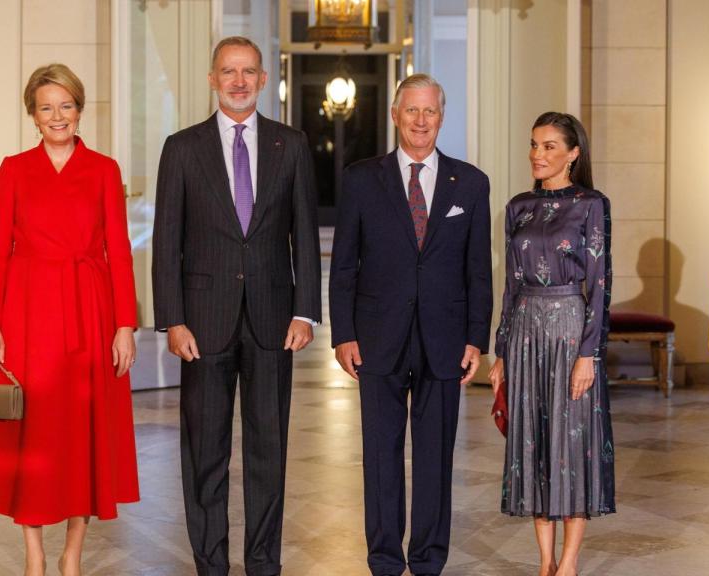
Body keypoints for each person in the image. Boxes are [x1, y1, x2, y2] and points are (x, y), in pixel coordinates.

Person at [151, 36, 321, 576]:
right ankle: (211, 564)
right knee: (205, 453)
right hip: (202, 323)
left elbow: (304, 233)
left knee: (269, 451)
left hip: (274, 321)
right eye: (229, 71)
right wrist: (173, 319)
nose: (239, 81)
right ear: (212, 79)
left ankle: (263, 564)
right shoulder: (182, 148)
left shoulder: (292, 145)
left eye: (249, 72)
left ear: (264, 80)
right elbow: (166, 241)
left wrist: (305, 310)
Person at [0, 63, 140, 576]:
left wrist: (125, 325)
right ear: (33, 115)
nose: (57, 115)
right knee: (32, 432)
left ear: (80, 109)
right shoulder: (13, 169)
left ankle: (72, 552)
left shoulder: (104, 169)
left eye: (66, 105)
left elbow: (120, 252)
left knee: (81, 433)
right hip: (26, 313)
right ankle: (34, 554)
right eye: (46, 107)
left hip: (89, 313)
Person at [329, 73, 492, 576]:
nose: (421, 121)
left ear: (442, 117)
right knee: (380, 455)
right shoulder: (361, 178)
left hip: (445, 340)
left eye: (430, 111)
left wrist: (476, 338)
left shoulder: (471, 182)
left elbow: (478, 269)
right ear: (395, 114)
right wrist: (343, 334)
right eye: (412, 110)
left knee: (435, 457)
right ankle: (383, 560)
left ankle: (427, 561)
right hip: (377, 338)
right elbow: (344, 264)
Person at [488, 111, 615, 576]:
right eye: (534, 144)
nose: (537, 155)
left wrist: (589, 353)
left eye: (549, 146)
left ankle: (569, 564)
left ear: (573, 153)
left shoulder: (591, 204)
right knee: (534, 442)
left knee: (572, 442)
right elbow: (510, 285)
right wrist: (501, 350)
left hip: (570, 329)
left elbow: (600, 284)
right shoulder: (518, 206)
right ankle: (544, 562)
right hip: (524, 331)